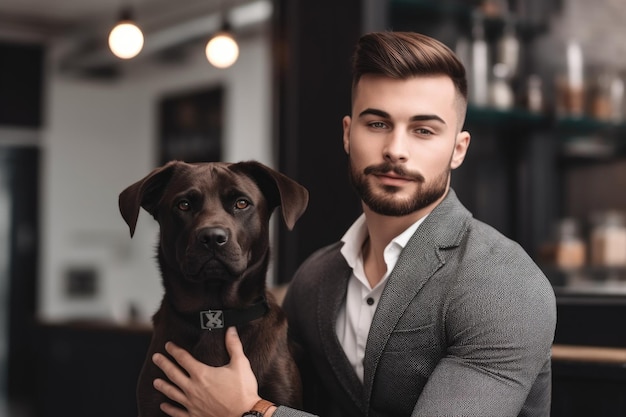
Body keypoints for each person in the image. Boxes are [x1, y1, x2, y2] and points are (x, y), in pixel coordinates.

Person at [151, 31, 557, 417]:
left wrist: (252, 411)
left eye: (423, 130)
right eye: (377, 124)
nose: (395, 150)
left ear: (458, 149)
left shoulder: (503, 284)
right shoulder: (314, 281)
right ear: (348, 134)